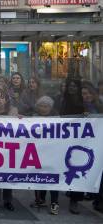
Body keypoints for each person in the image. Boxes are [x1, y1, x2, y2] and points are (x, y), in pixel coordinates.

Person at [29, 96, 60, 215]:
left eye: (46, 106)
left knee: (52, 177)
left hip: (52, 151)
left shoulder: (57, 118)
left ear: (50, 107)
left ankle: (54, 202)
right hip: (38, 151)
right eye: (41, 106)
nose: (43, 108)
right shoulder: (33, 117)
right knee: (38, 175)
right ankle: (40, 199)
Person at [60, 79, 85, 214]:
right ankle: (53, 201)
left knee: (76, 167)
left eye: (74, 86)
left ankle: (74, 200)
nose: (71, 88)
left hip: (81, 139)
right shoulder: (62, 99)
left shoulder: (84, 100)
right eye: (70, 86)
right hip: (64, 138)